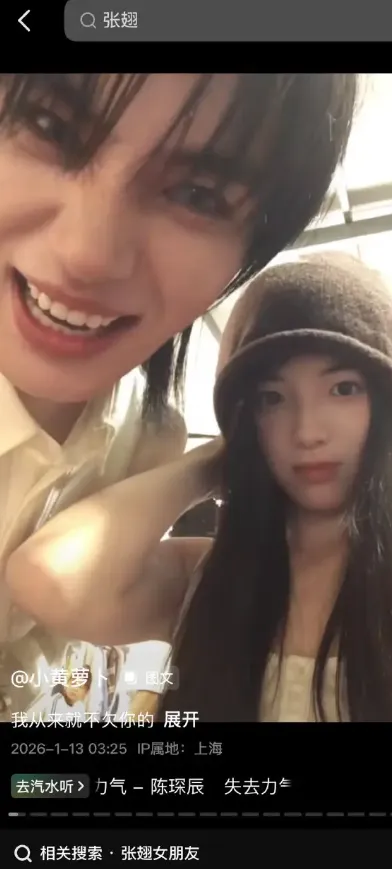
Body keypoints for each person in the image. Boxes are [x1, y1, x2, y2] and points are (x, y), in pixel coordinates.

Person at [0, 73, 357, 719]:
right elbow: (54, 580)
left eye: (198, 194)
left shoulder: (147, 432)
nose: (87, 254)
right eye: (52, 128)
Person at [9, 253, 392, 722]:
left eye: (343, 389)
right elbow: (45, 577)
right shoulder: (209, 579)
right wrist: (216, 460)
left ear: (388, 405)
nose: (307, 431)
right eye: (271, 399)